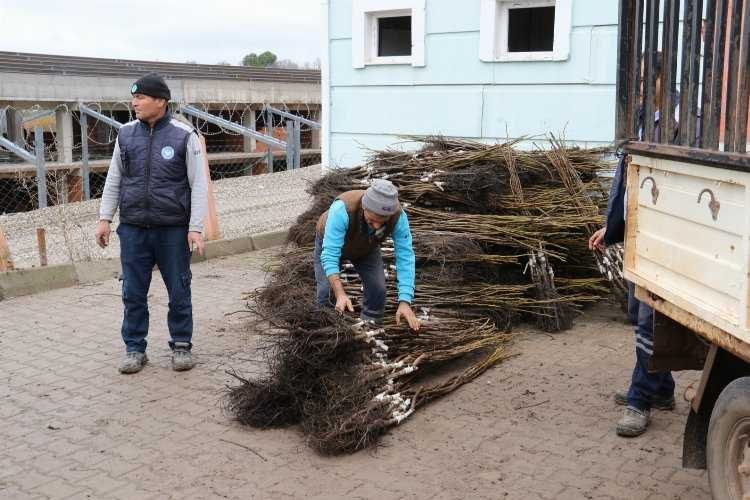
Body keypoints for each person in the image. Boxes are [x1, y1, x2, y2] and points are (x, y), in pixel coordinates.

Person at [94, 73, 208, 374]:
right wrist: (105, 218)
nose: (134, 103)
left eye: (141, 97)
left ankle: (181, 345)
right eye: (134, 97)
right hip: (133, 228)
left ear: (161, 101)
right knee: (132, 290)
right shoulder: (125, 135)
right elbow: (114, 179)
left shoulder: (185, 136)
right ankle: (135, 348)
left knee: (179, 289)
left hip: (172, 229)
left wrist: (195, 227)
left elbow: (198, 185)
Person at [589, 53, 676, 436]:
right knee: (638, 311)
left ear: (661, 81)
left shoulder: (677, 127)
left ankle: (640, 400)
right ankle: (662, 388)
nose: (638, 88)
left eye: (644, 80)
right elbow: (625, 186)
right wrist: (610, 230)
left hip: (663, 236)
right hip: (638, 234)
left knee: (648, 318)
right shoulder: (638, 123)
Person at [314, 179, 421, 331]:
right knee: (326, 292)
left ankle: (370, 330)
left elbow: (405, 257)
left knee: (378, 289)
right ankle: (323, 332)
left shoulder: (398, 217)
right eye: (372, 221)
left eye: (382, 222)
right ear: (364, 207)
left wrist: (405, 301)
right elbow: (330, 255)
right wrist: (340, 293)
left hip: (366, 247)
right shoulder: (342, 210)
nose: (377, 226)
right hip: (330, 242)